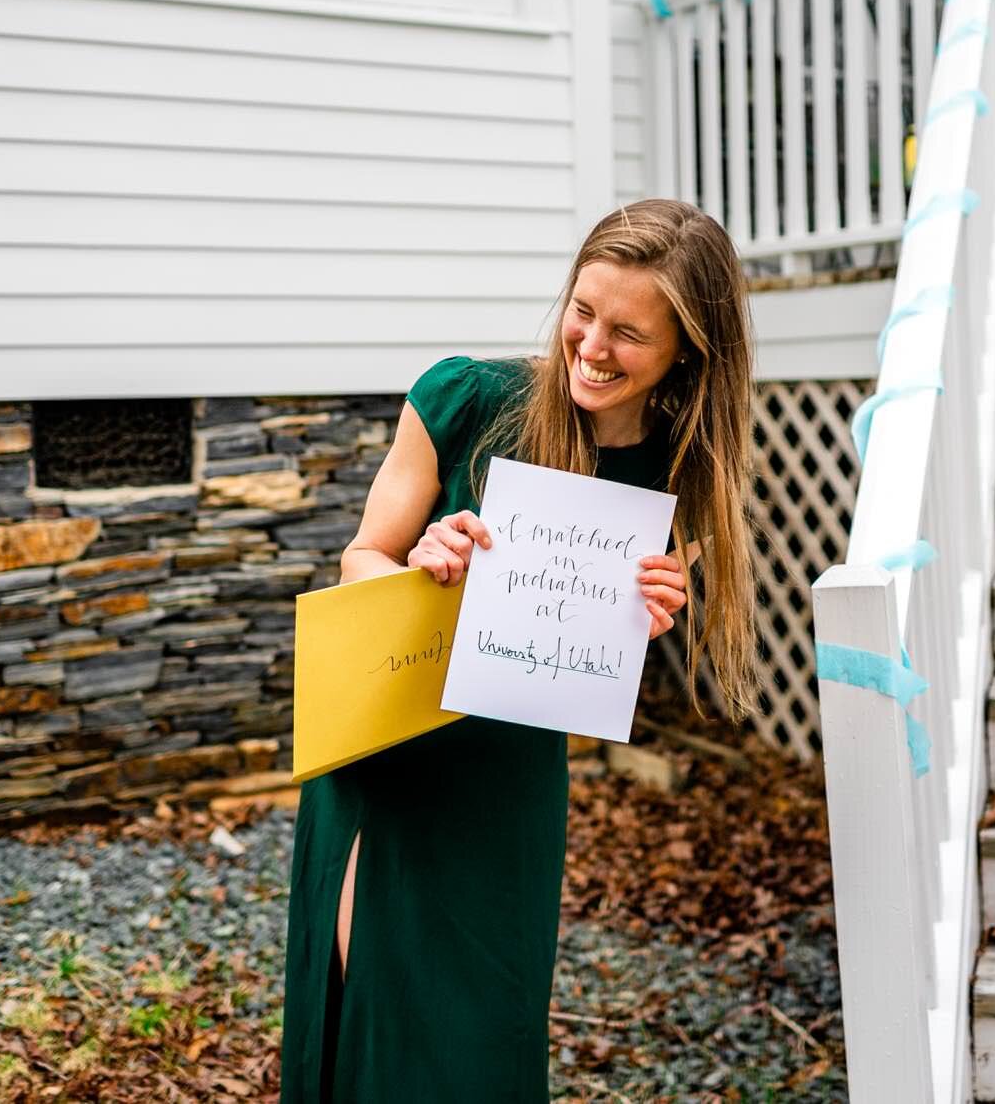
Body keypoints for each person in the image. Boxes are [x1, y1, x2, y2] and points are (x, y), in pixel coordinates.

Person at [279, 198, 762, 1102]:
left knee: (481, 1034)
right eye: (584, 311)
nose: (592, 346)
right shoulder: (466, 400)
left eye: (630, 332)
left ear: (687, 351)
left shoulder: (681, 480)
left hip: (509, 778)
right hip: (393, 744)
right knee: (375, 1013)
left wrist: (651, 612)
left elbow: (592, 657)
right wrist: (416, 564)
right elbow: (359, 559)